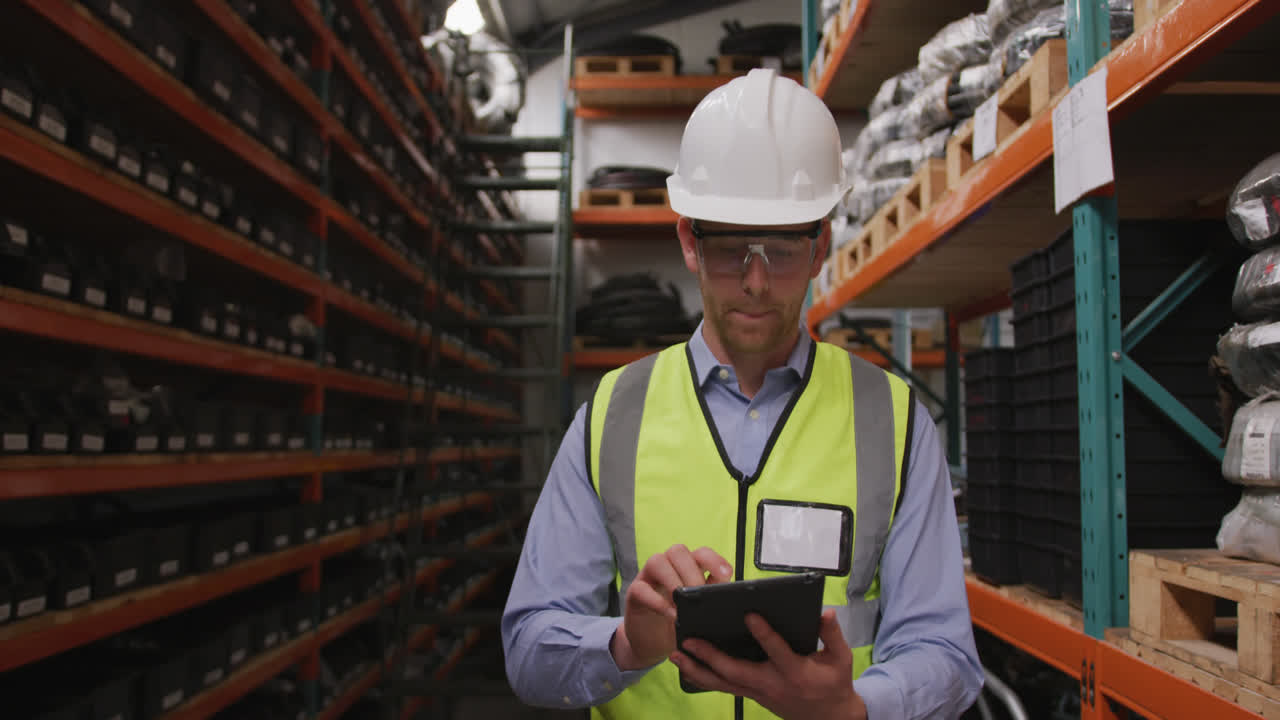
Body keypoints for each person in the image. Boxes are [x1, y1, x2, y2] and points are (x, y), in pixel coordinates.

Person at [502, 68, 982, 719]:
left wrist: (855, 708)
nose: (755, 282)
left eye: (781, 249)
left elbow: (948, 655)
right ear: (688, 243)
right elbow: (529, 650)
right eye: (730, 248)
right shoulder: (613, 417)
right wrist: (623, 643)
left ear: (821, 248)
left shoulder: (893, 422)